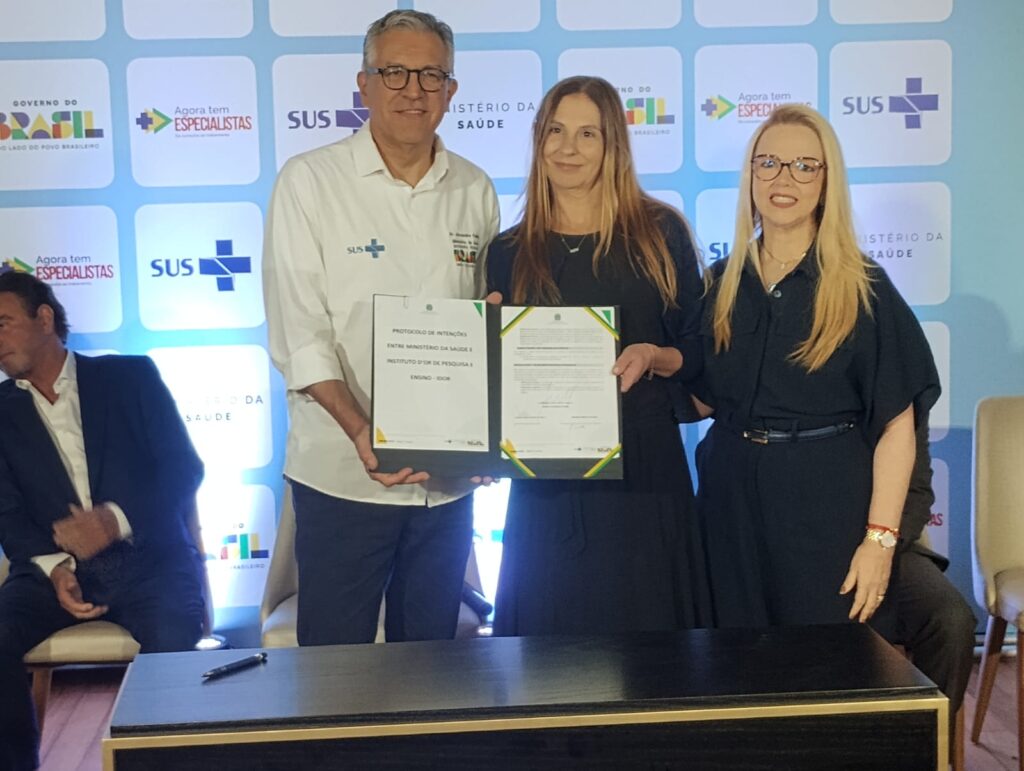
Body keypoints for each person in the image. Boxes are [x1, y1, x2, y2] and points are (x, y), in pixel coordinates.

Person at [262, 10, 499, 646]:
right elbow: (300, 335)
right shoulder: (310, 182)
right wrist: (364, 432)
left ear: (451, 90)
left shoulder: (474, 188)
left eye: (431, 75)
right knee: (334, 669)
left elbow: (484, 329)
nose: (413, 90)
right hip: (343, 476)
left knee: (431, 667)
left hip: (446, 487)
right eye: (394, 72)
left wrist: (494, 437)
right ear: (364, 84)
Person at [693, 103, 940, 640]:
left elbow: (898, 426)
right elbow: (700, 397)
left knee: (830, 663)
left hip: (827, 506)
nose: (784, 179)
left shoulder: (864, 288)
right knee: (736, 664)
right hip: (729, 505)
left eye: (805, 166)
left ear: (827, 183)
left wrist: (879, 540)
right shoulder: (718, 284)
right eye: (769, 163)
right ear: (751, 175)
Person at [486, 76, 711, 636]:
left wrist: (655, 356)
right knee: (547, 663)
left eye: (588, 134)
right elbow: (494, 383)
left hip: (645, 480)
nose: (568, 148)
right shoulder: (507, 252)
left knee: (653, 658)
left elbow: (701, 351)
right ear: (538, 139)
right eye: (556, 131)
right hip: (545, 489)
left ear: (614, 144)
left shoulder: (660, 234)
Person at [0, 272, 205, 771]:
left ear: (44, 318)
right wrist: (55, 568)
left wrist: (113, 522)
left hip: (148, 561)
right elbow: (6, 514)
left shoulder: (130, 378)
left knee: (174, 636)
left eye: (2, 323)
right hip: (50, 572)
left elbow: (183, 468)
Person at [896, 417, 976, 716]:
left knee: (951, 620)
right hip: (792, 551)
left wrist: (881, 547)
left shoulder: (901, 401)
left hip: (889, 548)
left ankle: (931, 740)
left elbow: (916, 494)